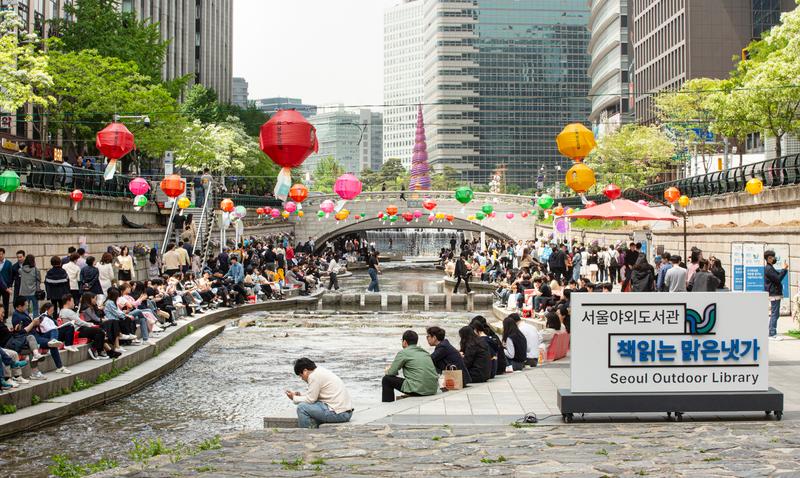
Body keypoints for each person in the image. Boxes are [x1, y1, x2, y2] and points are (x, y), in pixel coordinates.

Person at [287, 357, 353, 428]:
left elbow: (311, 399)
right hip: (345, 412)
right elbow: (314, 395)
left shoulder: (313, 376)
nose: (302, 378)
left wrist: (294, 398)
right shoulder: (319, 371)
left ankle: (305, 434)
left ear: (305, 371)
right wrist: (300, 395)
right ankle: (312, 427)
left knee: (302, 408)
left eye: (301, 375)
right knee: (311, 405)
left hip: (339, 414)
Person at [382, 330, 438, 402]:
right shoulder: (424, 352)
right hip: (432, 389)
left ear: (404, 342)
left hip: (418, 390)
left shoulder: (403, 353)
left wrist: (387, 370)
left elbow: (391, 373)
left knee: (386, 379)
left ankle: (388, 405)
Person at [764, 250, 788, 340]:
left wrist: (783, 270)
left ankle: (771, 331)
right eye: (773, 257)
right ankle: (772, 333)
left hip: (775, 293)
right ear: (769, 258)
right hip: (774, 293)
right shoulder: (768, 268)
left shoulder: (770, 267)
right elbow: (778, 279)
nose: (774, 258)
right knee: (775, 313)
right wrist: (784, 269)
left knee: (775, 313)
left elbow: (778, 276)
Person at [0, 248, 12, 319]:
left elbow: (10, 276)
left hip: (6, 287)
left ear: (4, 254)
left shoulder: (8, 263)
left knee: (6, 303)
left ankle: (5, 318)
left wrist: (10, 286)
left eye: (1, 254)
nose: (0, 256)